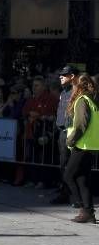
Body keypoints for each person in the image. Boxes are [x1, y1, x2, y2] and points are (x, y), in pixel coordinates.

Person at [63, 74, 99, 223]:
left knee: (68, 175)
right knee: (82, 179)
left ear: (78, 86)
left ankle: (84, 209)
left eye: (73, 85)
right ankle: (89, 212)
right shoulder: (93, 100)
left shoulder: (82, 100)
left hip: (81, 145)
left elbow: (80, 125)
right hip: (91, 145)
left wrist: (71, 141)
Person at [51, 66, 79, 205]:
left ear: (72, 76)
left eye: (64, 75)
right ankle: (65, 193)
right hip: (62, 132)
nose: (61, 77)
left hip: (71, 132)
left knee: (72, 167)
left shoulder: (77, 92)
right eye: (60, 74)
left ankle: (75, 197)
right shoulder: (64, 92)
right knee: (63, 164)